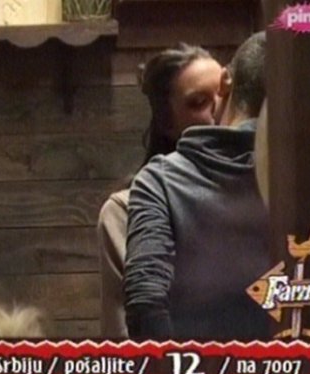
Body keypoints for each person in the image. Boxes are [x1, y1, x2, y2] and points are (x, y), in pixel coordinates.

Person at [123, 31, 272, 340]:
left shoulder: (159, 183)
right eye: (197, 101)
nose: (214, 106)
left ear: (227, 81)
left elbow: (145, 302)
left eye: (215, 94)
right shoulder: (305, 172)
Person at [97, 44, 223, 338]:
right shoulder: (125, 211)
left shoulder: (263, 189)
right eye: (199, 102)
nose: (220, 109)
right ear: (168, 123)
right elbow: (124, 333)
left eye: (227, 94)